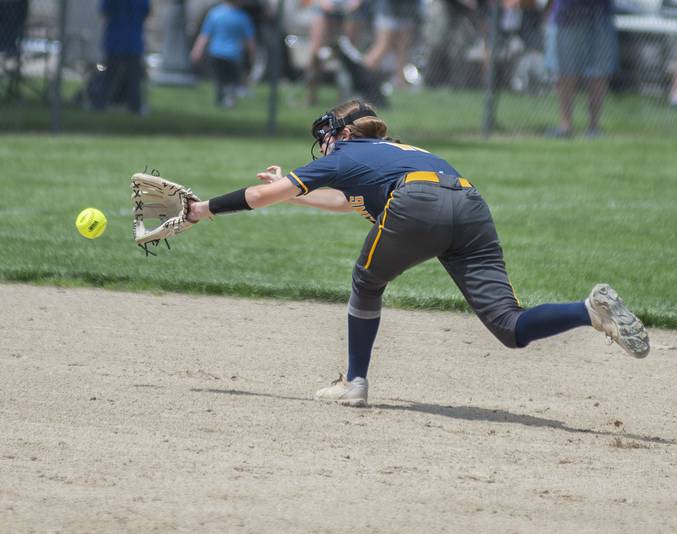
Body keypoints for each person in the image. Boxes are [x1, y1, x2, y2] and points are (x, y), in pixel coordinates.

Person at [186, 99, 650, 407]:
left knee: (367, 283)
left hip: (416, 203)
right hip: (468, 203)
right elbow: (346, 201)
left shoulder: (342, 154)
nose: (323, 144)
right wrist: (293, 193)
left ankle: (355, 383)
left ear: (342, 134)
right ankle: (590, 311)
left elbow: (259, 199)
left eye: (326, 135)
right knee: (511, 326)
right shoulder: (402, 150)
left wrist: (202, 209)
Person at [544, 0, 618, 137]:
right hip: (566, 15)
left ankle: (594, 127)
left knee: (598, 71)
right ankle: (565, 125)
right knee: (565, 70)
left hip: (599, 14)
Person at [190, 0, 257, 108]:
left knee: (219, 79)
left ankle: (220, 100)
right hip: (233, 54)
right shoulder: (242, 17)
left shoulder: (215, 13)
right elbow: (250, 40)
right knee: (232, 80)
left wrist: (197, 50)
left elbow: (204, 35)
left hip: (216, 52)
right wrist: (253, 54)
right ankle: (229, 101)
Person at [302, 0, 366, 106]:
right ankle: (310, 96)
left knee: (349, 55)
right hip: (324, 8)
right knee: (316, 54)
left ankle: (346, 99)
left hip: (351, 10)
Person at [98, 0, 150, 114]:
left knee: (109, 76)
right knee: (134, 79)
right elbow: (146, 12)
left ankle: (101, 103)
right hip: (133, 40)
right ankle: (135, 106)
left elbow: (104, 11)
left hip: (115, 39)